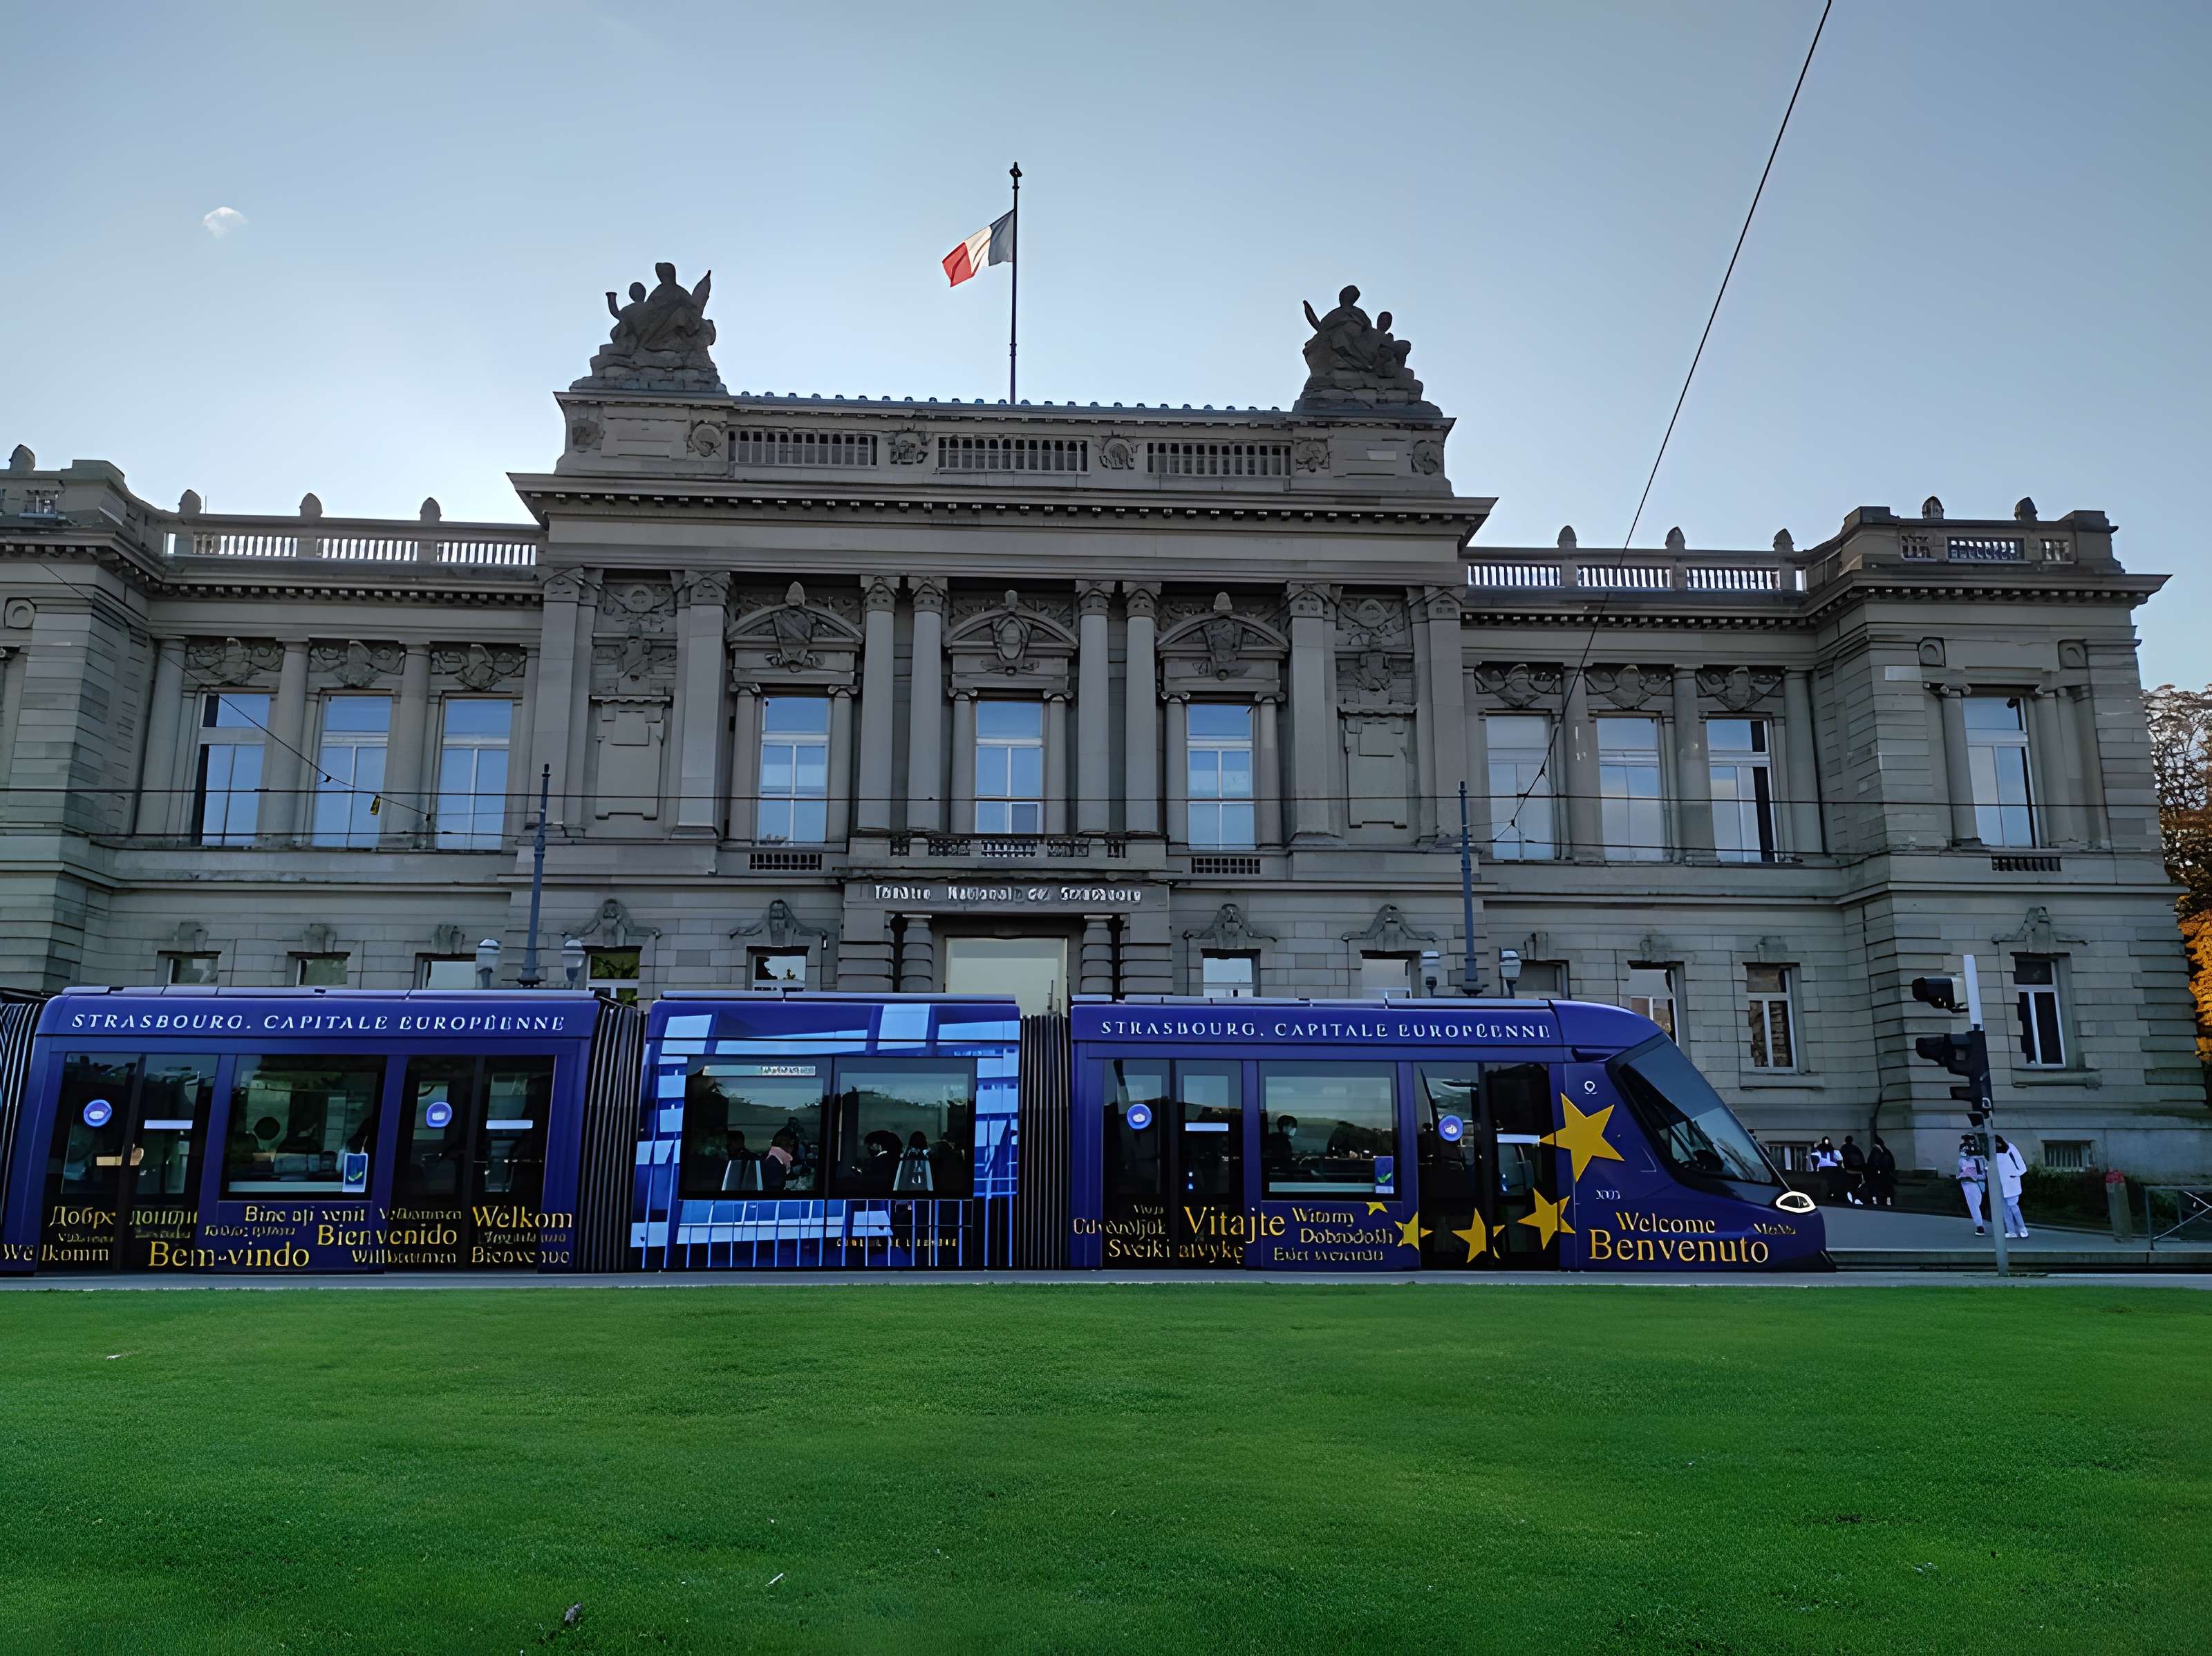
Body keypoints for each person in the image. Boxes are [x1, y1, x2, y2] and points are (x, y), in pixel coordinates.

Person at [1994, 1136, 2031, 1239]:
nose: (1997, 1145)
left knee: (2014, 1207)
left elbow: (2021, 1164)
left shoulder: (2010, 1148)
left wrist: (2015, 1174)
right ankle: (2011, 1231)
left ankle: (2022, 1229)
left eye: (1998, 1143)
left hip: (2011, 1183)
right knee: (2005, 1209)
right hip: (2000, 1184)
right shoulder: (1993, 1153)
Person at [1957, 1135, 1988, 1235]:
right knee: (1974, 1204)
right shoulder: (1966, 1156)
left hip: (1976, 1180)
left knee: (1976, 1204)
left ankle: (1980, 1225)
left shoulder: (1972, 1154)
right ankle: (1980, 1225)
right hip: (1972, 1180)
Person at [1866, 1135, 1897, 1210]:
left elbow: (1873, 1164)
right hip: (1886, 1174)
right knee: (1888, 1191)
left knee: (1876, 1190)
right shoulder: (1886, 1151)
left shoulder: (1875, 1151)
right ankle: (1889, 1203)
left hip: (1878, 1175)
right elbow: (1892, 1165)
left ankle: (1876, 1203)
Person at [1811, 1137, 1843, 1205]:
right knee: (1830, 1183)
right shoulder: (1833, 1150)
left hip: (1825, 1169)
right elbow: (1840, 1159)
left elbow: (1814, 1157)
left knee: (1826, 1183)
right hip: (1830, 1169)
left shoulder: (1819, 1150)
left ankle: (1828, 1195)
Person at [1841, 1135, 1868, 1206]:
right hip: (1858, 1172)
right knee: (1856, 1188)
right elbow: (1862, 1161)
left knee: (1849, 1188)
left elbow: (1841, 1159)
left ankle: (1851, 1201)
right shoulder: (1856, 1149)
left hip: (1848, 1172)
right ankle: (1857, 1199)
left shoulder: (1844, 1148)